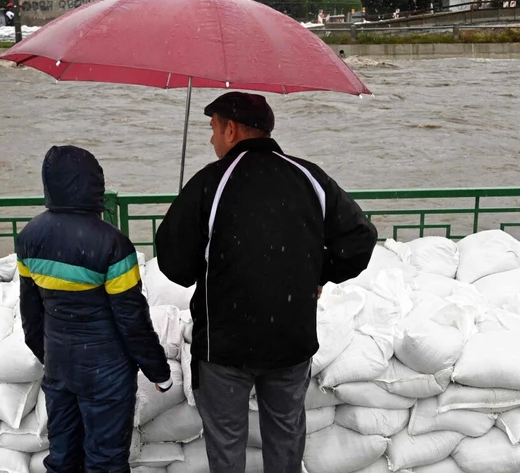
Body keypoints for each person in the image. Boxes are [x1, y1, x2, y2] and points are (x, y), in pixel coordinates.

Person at [155, 92, 377, 473]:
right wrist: (318, 272)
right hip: (290, 340)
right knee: (286, 436)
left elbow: (174, 264)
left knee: (226, 444)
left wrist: (195, 258)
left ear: (230, 128)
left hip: (224, 345)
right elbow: (360, 239)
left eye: (212, 129)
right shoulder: (309, 177)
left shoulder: (211, 182)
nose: (211, 140)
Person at [17, 146, 172, 473]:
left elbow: (30, 313)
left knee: (63, 456)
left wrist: (49, 356)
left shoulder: (29, 237)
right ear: (94, 184)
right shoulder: (113, 244)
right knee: (105, 461)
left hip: (59, 363)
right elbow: (132, 320)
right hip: (107, 371)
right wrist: (158, 371)